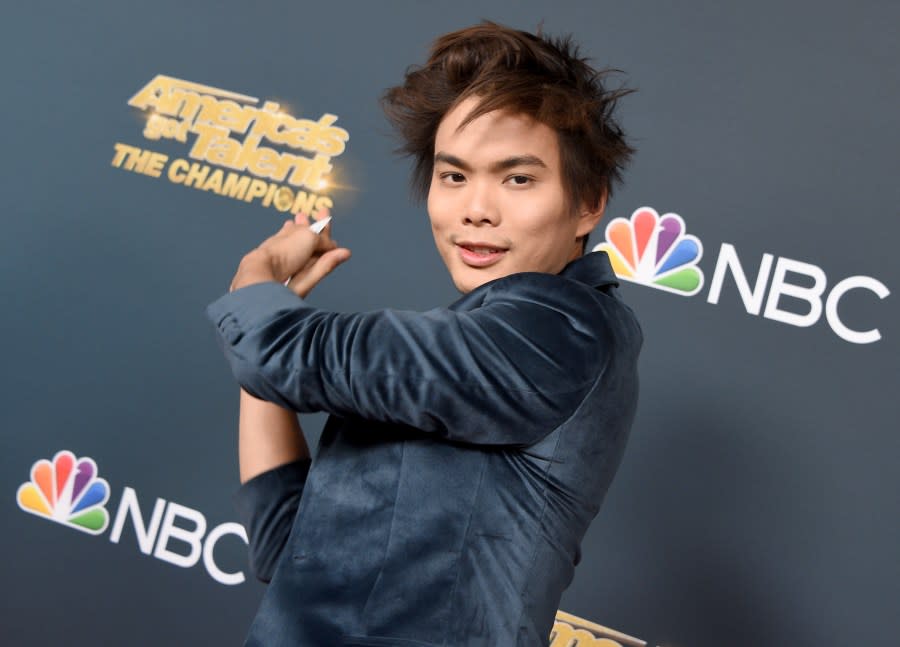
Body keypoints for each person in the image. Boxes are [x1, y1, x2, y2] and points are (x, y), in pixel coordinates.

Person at [207, 21, 642, 647]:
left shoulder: (563, 329)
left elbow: (279, 351)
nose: (476, 209)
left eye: (517, 178)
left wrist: (255, 287)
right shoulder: (471, 344)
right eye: (454, 176)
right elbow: (286, 547)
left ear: (588, 203)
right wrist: (261, 350)